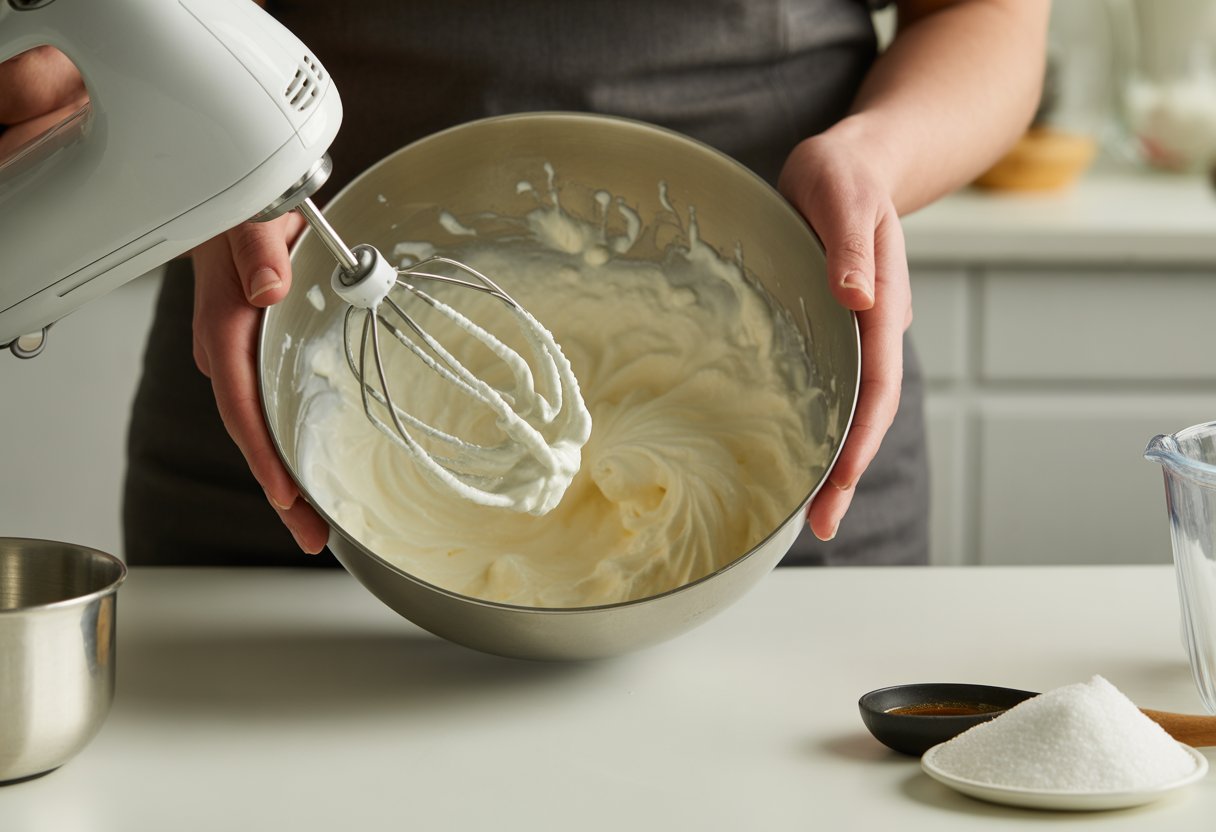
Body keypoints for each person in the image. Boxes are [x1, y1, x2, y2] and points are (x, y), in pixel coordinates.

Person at [0, 0, 1050, 567]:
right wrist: (175, 153)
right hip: (271, 430)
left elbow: (989, 18)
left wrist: (875, 159)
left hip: (795, 468)